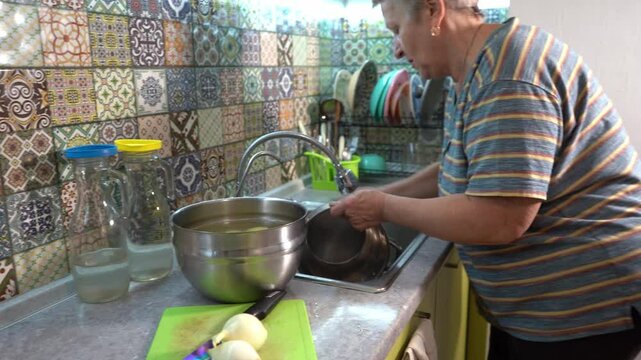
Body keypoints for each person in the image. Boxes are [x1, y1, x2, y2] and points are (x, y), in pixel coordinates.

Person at [329, 0, 641, 359]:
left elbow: (500, 219)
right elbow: (455, 165)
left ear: (434, 11)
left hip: (582, 304)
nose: (397, 49)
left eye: (397, 29)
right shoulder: (472, 72)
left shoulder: (508, 73)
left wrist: (385, 206)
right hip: (542, 308)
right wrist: (380, 198)